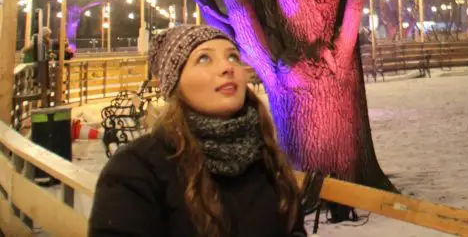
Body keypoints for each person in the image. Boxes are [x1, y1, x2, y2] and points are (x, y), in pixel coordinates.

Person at [88, 25, 306, 237]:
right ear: (175, 84)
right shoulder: (136, 168)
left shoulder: (268, 157)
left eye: (233, 57)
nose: (227, 67)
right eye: (204, 58)